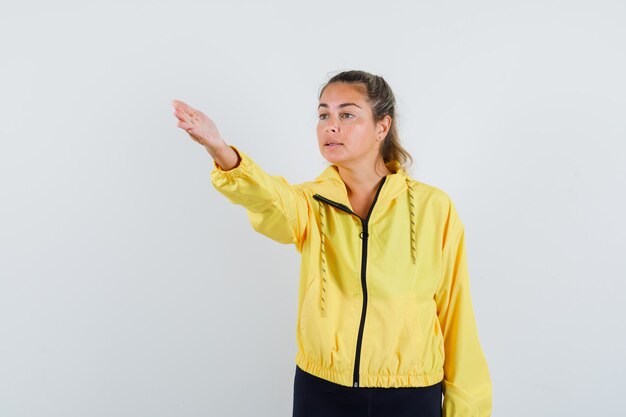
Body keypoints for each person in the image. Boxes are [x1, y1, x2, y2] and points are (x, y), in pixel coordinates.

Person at [172, 70, 492, 417]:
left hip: (410, 395)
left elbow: (456, 314)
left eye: (347, 114)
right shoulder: (311, 202)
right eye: (324, 114)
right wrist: (221, 150)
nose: (330, 125)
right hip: (323, 392)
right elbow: (269, 199)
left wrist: (468, 409)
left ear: (381, 127)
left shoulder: (434, 208)